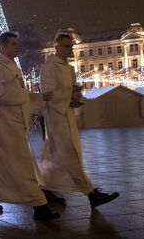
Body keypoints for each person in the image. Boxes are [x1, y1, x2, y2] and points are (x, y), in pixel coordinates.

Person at [0, 32, 59, 220]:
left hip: (16, 121)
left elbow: (20, 93)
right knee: (23, 163)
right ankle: (39, 205)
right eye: (13, 44)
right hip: (7, 124)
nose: (16, 47)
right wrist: (21, 94)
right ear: (2, 47)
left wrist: (39, 98)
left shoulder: (12, 67)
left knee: (8, 161)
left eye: (17, 44)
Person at [39, 32, 119, 208]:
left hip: (65, 113)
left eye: (71, 46)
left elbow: (65, 92)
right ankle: (90, 193)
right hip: (56, 117)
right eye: (67, 46)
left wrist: (75, 97)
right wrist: (69, 96)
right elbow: (49, 94)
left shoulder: (68, 68)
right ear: (57, 46)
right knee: (69, 153)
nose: (70, 50)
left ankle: (43, 186)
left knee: (54, 154)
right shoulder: (49, 67)